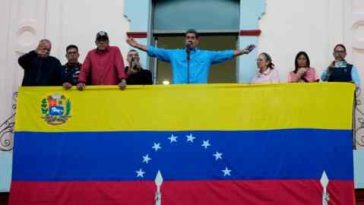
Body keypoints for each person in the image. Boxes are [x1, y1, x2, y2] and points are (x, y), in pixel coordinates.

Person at [126, 29, 255, 84]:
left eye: (193, 38)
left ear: (197, 41)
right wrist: (136, 45)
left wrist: (242, 51)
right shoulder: (175, 54)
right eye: (188, 38)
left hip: (199, 95)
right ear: (185, 40)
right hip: (178, 95)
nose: (190, 40)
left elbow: (224, 54)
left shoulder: (206, 55)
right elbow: (155, 51)